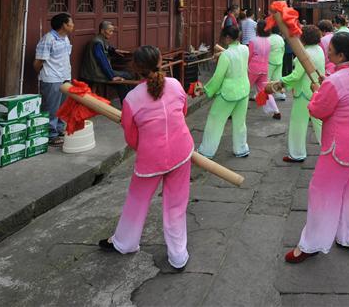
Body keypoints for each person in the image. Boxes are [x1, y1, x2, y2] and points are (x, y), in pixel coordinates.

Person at [99, 46, 193, 271]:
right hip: (182, 150)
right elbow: (183, 112)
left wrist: (150, 145)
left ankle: (125, 242)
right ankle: (178, 255)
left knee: (137, 201)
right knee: (176, 205)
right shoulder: (175, 84)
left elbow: (131, 138)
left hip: (151, 159)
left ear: (135, 67)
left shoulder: (131, 99)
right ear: (160, 61)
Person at [285, 32, 349, 263]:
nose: (327, 52)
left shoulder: (335, 81)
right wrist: (325, 85)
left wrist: (316, 92)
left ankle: (312, 243)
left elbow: (317, 110)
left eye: (330, 50)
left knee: (322, 192)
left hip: (338, 144)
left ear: (341, 55)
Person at [197, 25, 251, 158]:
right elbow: (235, 54)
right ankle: (241, 149)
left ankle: (206, 151)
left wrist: (206, 90)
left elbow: (217, 78)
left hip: (228, 92)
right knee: (240, 122)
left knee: (215, 120)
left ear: (227, 37)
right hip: (244, 89)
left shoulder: (226, 56)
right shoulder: (245, 49)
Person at [279, 25, 326, 162]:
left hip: (304, 93)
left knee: (298, 124)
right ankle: (330, 149)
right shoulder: (319, 49)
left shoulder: (305, 53)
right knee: (320, 124)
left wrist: (280, 82)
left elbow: (296, 75)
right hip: (317, 90)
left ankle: (297, 153)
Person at [34, 13, 73, 145]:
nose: (73, 25)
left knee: (63, 106)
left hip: (65, 77)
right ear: (64, 25)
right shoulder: (48, 39)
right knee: (51, 108)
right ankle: (50, 134)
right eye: (71, 23)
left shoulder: (65, 38)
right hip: (51, 79)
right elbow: (38, 62)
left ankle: (59, 129)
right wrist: (45, 74)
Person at [79, 21, 132, 101]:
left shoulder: (100, 39)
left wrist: (114, 50)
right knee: (126, 77)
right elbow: (102, 61)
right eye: (110, 31)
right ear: (102, 31)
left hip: (96, 71)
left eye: (112, 31)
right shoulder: (97, 42)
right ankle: (127, 103)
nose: (111, 33)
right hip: (95, 73)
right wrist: (111, 76)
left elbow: (107, 47)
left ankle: (128, 102)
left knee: (125, 78)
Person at [249, 20, 281, 120]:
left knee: (245, 89)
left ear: (258, 29)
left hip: (253, 68)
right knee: (265, 91)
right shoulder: (268, 41)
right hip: (264, 68)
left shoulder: (253, 41)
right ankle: (276, 111)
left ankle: (235, 112)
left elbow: (249, 56)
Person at [268, 26, 287, 101]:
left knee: (267, 78)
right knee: (277, 78)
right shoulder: (280, 38)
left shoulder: (269, 38)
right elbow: (283, 49)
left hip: (270, 60)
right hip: (279, 60)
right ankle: (280, 94)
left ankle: (265, 94)